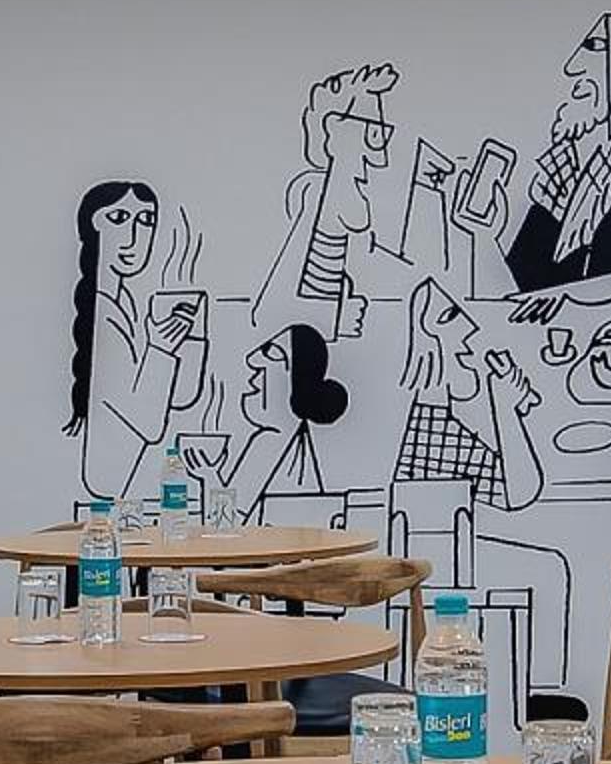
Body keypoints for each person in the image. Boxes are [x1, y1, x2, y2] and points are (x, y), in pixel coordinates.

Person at [64, 179, 206, 503]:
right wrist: (160, 349)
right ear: (92, 227)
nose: (134, 237)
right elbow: (147, 421)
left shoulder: (127, 304)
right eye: (118, 218)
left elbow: (181, 397)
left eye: (146, 221)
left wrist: (191, 338)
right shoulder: (102, 313)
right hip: (109, 488)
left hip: (134, 484)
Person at [494, 13, 611, 303]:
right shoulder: (561, 166)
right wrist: (491, 232)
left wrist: (564, 295)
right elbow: (526, 273)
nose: (572, 67)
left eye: (594, 46)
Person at [254, 62, 400, 340]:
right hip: (313, 323)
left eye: (381, 132)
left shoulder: (331, 193)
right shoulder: (327, 196)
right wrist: (333, 317)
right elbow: (276, 301)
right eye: (373, 131)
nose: (380, 144)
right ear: (335, 128)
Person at [391, 277, 544, 512]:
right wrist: (505, 409)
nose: (469, 326)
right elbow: (517, 494)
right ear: (428, 334)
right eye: (450, 316)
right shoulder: (431, 426)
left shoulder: (435, 415)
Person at [186, 323, 349, 515]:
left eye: (272, 353)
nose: (253, 360)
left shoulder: (271, 441)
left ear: (296, 378)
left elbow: (225, 523)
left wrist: (208, 476)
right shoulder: (291, 435)